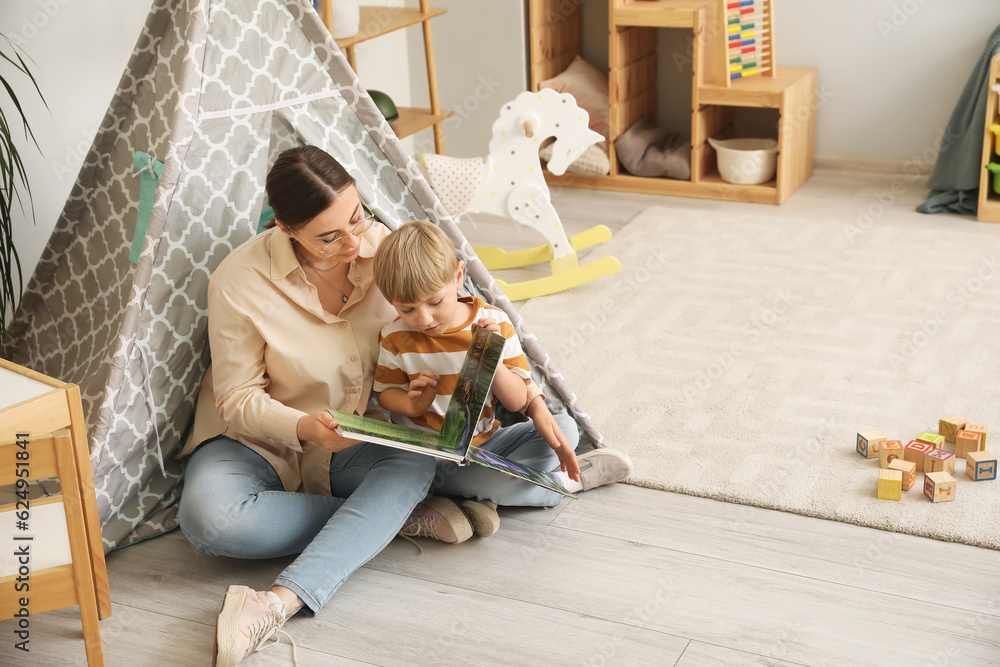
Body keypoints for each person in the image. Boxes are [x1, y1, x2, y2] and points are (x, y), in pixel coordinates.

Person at [177, 146, 475, 666]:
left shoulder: (386, 251)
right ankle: (389, 516)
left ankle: (274, 603)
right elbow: (237, 399)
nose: (354, 242)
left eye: (357, 219)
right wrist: (304, 427)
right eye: (330, 236)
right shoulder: (238, 280)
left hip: (356, 442)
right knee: (211, 522)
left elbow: (450, 314)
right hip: (254, 442)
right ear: (286, 229)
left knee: (417, 460)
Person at [371, 221, 633, 536]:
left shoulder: (492, 322)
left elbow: (517, 401)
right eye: (407, 309)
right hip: (430, 458)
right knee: (474, 477)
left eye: (434, 302)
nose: (423, 319)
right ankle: (564, 484)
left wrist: (491, 361)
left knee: (564, 429)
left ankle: (482, 495)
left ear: (458, 277)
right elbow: (386, 395)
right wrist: (413, 405)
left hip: (488, 444)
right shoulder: (394, 336)